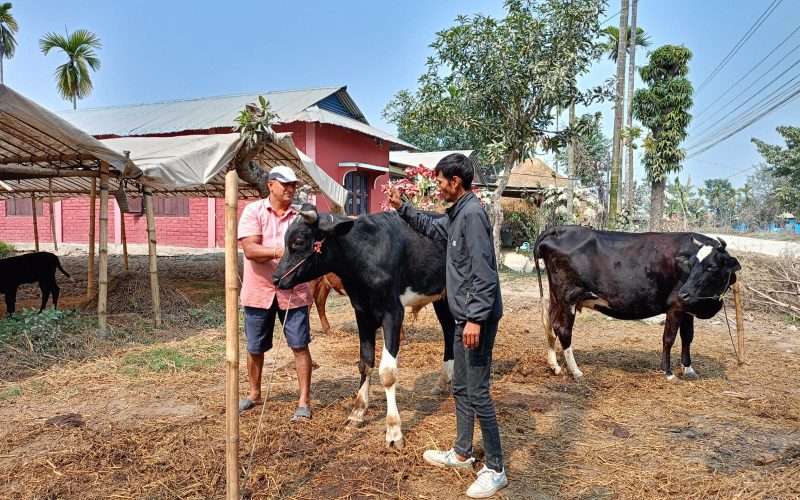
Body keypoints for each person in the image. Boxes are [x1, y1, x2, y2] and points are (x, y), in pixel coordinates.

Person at [387, 153, 507, 498]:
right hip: (462, 316)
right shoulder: (457, 214)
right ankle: (462, 452)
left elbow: (484, 273)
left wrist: (475, 319)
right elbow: (432, 227)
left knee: (478, 391)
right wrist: (403, 207)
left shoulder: (472, 216)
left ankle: (496, 468)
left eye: (440, 181)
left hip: (475, 320)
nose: (437, 187)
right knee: (461, 387)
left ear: (455, 181)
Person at [237, 165, 314, 422]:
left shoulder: (301, 217)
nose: (290, 189)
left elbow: (311, 251)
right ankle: (254, 393)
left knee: (299, 345)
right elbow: (250, 250)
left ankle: (303, 401)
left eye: (293, 185)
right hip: (259, 291)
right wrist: (282, 252)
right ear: (270, 185)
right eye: (285, 184)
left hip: (294, 292)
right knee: (255, 347)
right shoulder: (254, 211)